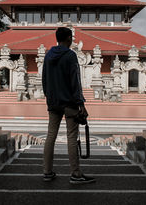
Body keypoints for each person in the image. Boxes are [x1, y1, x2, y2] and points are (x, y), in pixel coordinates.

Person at [42, 27, 96, 184]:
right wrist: (81, 104)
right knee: (71, 136)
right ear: (68, 39)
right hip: (69, 102)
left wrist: (49, 97)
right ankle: (75, 173)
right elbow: (75, 82)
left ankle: (47, 171)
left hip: (53, 102)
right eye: (71, 37)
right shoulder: (70, 56)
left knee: (50, 135)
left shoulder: (48, 56)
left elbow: (44, 80)